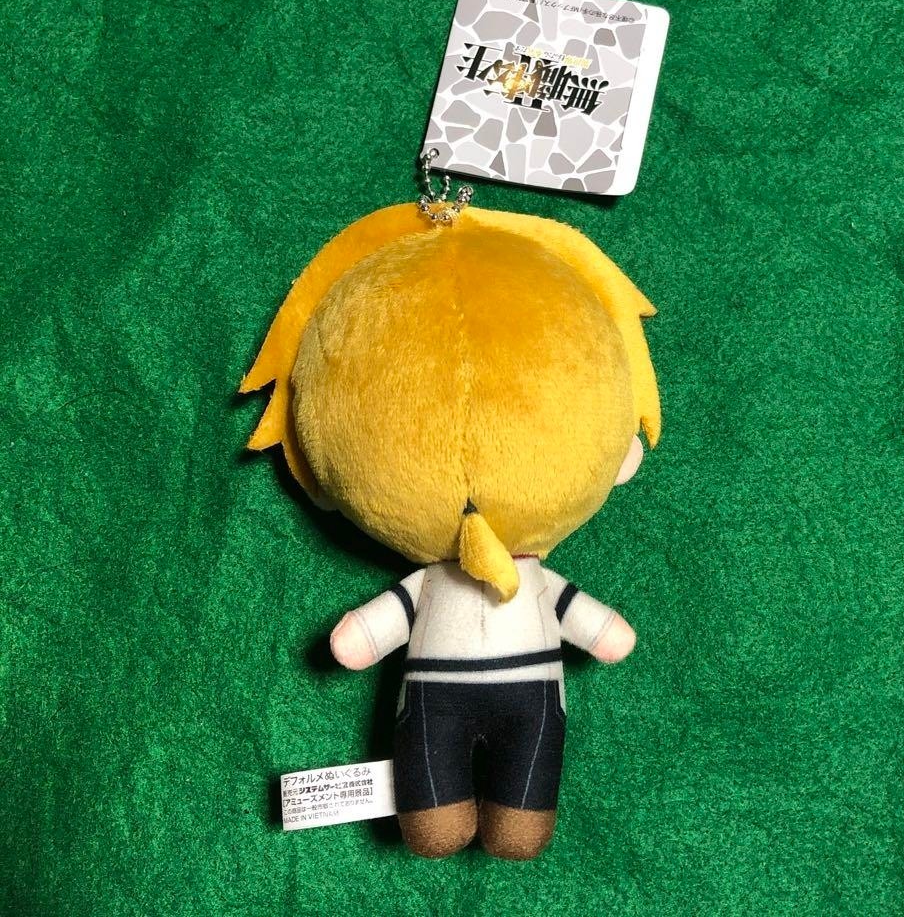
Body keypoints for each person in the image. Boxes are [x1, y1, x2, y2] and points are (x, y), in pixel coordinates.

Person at [242, 201, 660, 859]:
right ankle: (439, 816)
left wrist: (603, 631)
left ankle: (516, 819)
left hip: (517, 699)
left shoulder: (503, 582)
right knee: (434, 815)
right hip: (441, 702)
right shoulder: (433, 583)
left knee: (522, 812)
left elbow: (581, 619)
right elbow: (377, 628)